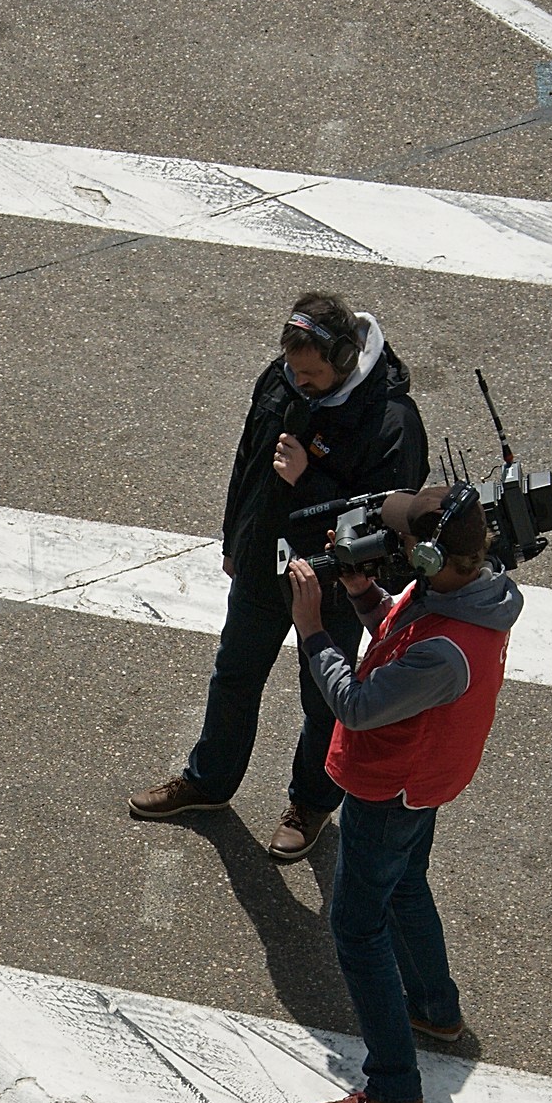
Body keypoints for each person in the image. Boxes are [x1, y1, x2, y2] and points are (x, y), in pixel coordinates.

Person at [128, 293, 428, 863]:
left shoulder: (392, 421)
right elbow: (249, 460)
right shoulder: (282, 379)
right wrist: (234, 539)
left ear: (343, 359)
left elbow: (391, 519)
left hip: (336, 583)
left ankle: (311, 804)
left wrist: (309, 480)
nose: (298, 379)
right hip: (264, 563)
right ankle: (209, 782)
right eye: (292, 367)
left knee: (323, 698)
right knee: (234, 675)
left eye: (310, 373)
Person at [286, 487, 522, 1103]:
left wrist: (312, 627)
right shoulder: (470, 592)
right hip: (421, 783)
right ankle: (435, 1009)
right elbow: (397, 631)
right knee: (406, 886)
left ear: (429, 559)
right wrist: (364, 595)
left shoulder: (444, 650)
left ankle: (393, 1089)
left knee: (357, 929)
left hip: (388, 788)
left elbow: (358, 703)